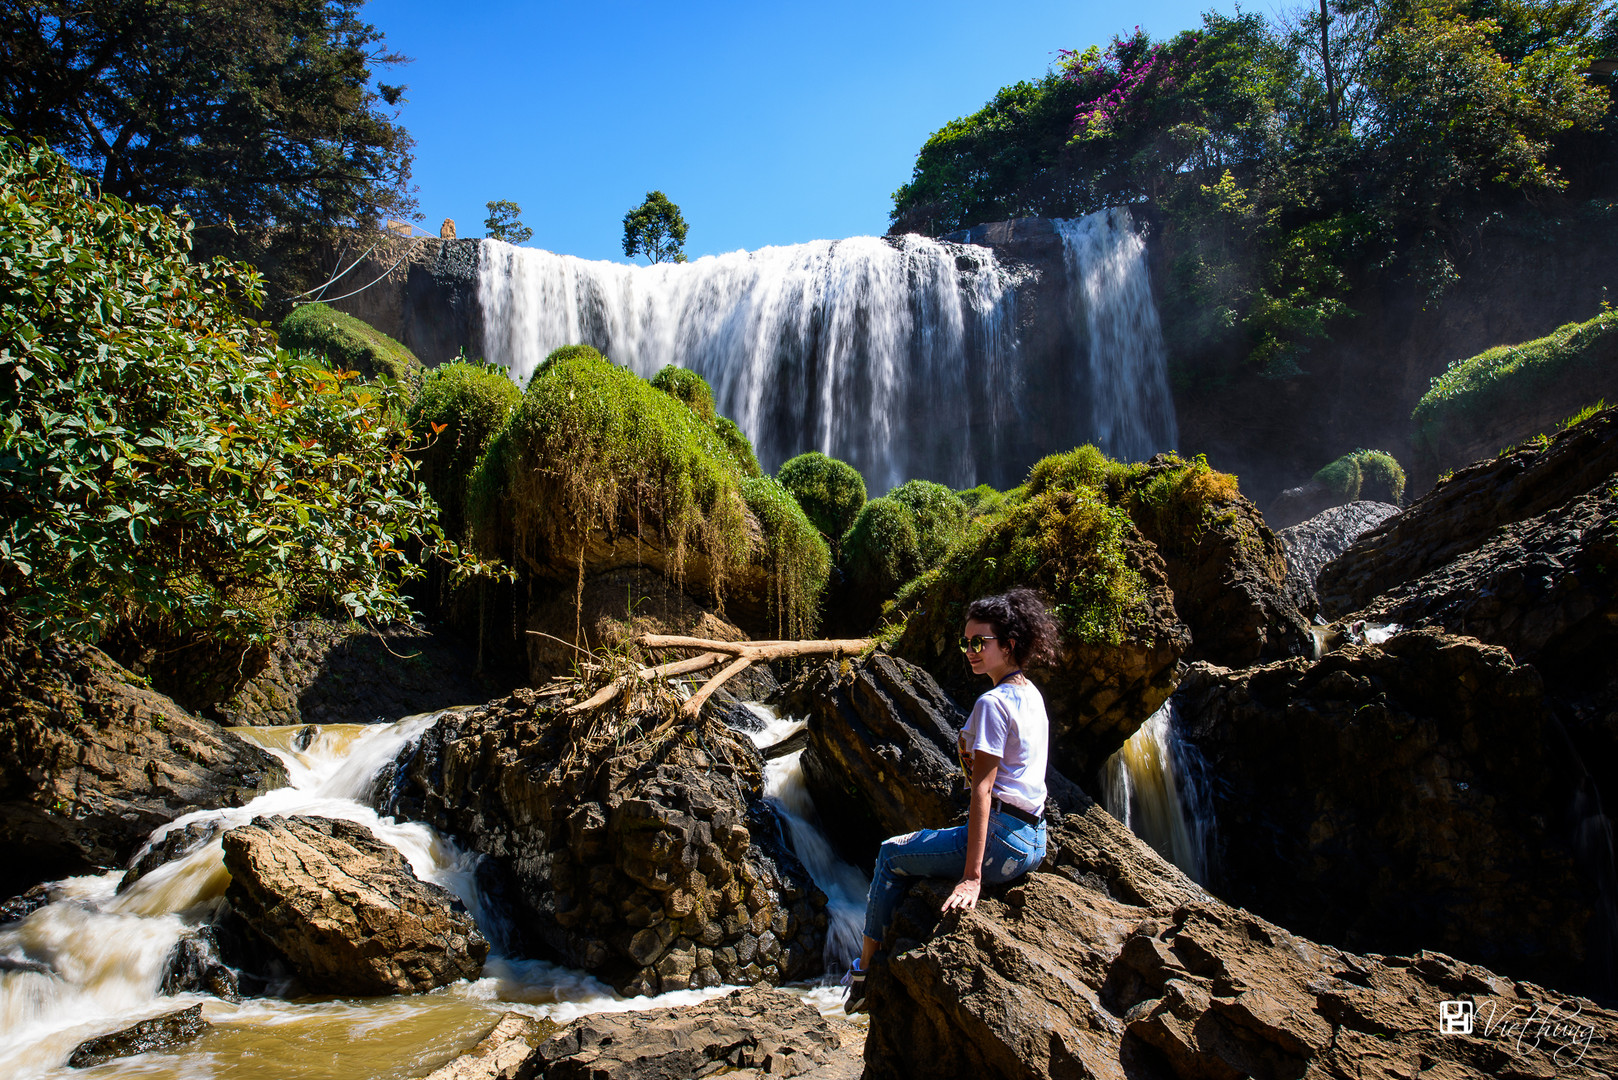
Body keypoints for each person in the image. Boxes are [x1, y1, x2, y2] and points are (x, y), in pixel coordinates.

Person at [844, 587, 1056, 1014]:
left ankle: (864, 970)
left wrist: (972, 877)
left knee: (889, 854)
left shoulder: (992, 704)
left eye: (980, 642)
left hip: (1000, 844)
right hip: (1034, 841)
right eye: (967, 642)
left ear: (1008, 645)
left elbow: (981, 791)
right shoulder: (1030, 694)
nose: (970, 651)